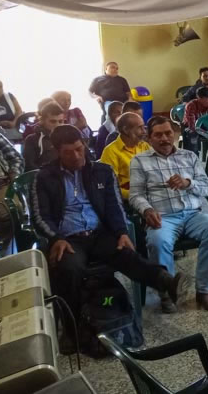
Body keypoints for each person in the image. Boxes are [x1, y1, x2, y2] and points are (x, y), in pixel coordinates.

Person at [33, 125, 187, 339]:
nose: (76, 156)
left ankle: (166, 281)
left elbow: (115, 206)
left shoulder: (102, 171)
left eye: (79, 149)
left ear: (84, 144)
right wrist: (55, 238)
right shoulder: (45, 176)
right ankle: (71, 330)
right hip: (69, 239)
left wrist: (122, 232)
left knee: (126, 254)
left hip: (98, 233)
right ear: (58, 152)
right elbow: (40, 215)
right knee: (69, 270)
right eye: (68, 152)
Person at [129, 116, 208, 312]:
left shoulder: (189, 156)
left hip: (192, 214)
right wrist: (147, 209)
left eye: (168, 133)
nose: (165, 139)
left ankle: (205, 290)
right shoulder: (139, 161)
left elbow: (206, 187)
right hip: (163, 217)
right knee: (158, 242)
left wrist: (187, 183)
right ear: (149, 138)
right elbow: (135, 195)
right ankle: (168, 292)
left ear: (174, 134)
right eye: (158, 135)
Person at [99, 112, 149, 199]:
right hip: (129, 199)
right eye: (139, 128)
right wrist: (136, 195)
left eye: (144, 127)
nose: (144, 132)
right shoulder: (111, 151)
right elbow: (109, 185)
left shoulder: (144, 146)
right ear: (126, 130)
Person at [0, 129, 24, 253]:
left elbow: (16, 158)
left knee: (13, 211)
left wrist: (14, 175)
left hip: (0, 186)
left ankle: (0, 248)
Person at [23, 102, 66, 171]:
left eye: (60, 121)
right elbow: (29, 166)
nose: (57, 125)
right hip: (44, 175)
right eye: (53, 121)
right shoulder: (32, 140)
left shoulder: (69, 137)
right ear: (42, 121)